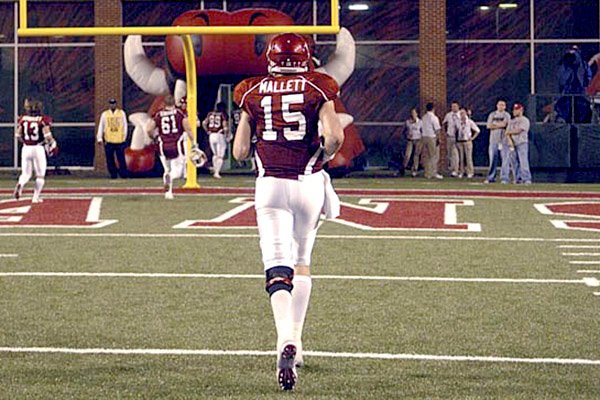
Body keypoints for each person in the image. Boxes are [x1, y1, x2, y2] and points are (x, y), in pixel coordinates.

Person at [232, 32, 344, 391]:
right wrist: (321, 157)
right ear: (305, 58)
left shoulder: (250, 91)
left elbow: (238, 151)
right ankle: (295, 340)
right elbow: (336, 137)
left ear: (270, 59)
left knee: (277, 267)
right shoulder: (319, 85)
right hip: (307, 181)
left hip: (269, 185)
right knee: (302, 262)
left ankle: (284, 339)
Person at [145, 95, 194, 199]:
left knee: (167, 169)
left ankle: (168, 193)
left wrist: (153, 136)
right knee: (178, 171)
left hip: (162, 145)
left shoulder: (158, 114)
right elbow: (188, 128)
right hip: (176, 144)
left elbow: (149, 129)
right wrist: (193, 142)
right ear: (174, 103)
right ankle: (170, 178)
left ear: (164, 103)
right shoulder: (179, 113)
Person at [13, 100, 57, 203]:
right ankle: (35, 197)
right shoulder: (42, 120)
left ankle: (21, 184)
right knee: (40, 175)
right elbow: (47, 136)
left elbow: (17, 135)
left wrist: (25, 142)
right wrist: (52, 143)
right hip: (38, 148)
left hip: (26, 148)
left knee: (26, 173)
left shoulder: (23, 119)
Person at [97, 98, 128, 179]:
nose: (112, 105)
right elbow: (101, 126)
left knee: (121, 158)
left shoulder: (121, 113)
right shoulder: (105, 114)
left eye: (114, 103)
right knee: (109, 159)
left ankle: (123, 174)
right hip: (109, 140)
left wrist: (124, 137)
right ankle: (113, 174)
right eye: (111, 103)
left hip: (119, 140)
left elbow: (125, 126)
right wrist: (99, 138)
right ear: (109, 105)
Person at [505, 103, 532, 184]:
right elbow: (507, 133)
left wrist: (509, 132)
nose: (514, 111)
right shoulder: (511, 121)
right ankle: (517, 179)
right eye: (514, 109)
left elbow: (519, 130)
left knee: (523, 161)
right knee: (514, 162)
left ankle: (526, 179)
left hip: (522, 143)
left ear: (521, 110)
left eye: (516, 109)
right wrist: (510, 141)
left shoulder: (525, 120)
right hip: (512, 143)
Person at [484, 99, 511, 183]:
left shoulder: (507, 115)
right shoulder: (492, 114)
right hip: (493, 140)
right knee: (492, 159)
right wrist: (500, 125)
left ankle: (504, 178)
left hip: (504, 140)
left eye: (503, 105)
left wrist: (495, 125)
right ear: (497, 105)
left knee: (505, 160)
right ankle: (491, 177)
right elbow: (488, 126)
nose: (501, 106)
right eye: (500, 105)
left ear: (505, 106)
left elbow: (506, 125)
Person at [202, 102, 230, 179]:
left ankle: (215, 170)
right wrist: (227, 135)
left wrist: (207, 131)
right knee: (220, 155)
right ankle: (217, 172)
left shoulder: (210, 114)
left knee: (215, 154)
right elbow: (225, 127)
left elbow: (204, 123)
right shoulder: (222, 114)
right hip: (219, 134)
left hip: (211, 135)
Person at [455, 108, 480, 178]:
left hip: (467, 141)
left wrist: (472, 138)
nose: (461, 114)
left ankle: (470, 172)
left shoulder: (469, 122)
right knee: (461, 158)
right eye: (460, 113)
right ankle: (461, 172)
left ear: (466, 113)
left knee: (468, 158)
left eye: (463, 113)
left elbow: (477, 130)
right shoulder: (458, 122)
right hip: (460, 141)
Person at [421, 102, 443, 180]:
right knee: (434, 156)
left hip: (424, 137)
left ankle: (427, 173)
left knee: (426, 156)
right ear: (433, 108)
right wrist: (439, 138)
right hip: (431, 137)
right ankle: (433, 173)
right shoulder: (434, 117)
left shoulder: (424, 117)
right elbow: (437, 129)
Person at [403, 108, 423, 177]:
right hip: (410, 140)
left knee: (416, 155)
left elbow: (422, 131)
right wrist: (407, 135)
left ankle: (414, 170)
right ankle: (403, 167)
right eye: (412, 113)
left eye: (414, 113)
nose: (413, 114)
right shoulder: (408, 122)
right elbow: (404, 131)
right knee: (407, 155)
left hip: (418, 140)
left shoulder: (420, 122)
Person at [442, 101, 460, 177]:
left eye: (455, 106)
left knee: (455, 153)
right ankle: (452, 169)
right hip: (450, 136)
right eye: (452, 106)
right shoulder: (448, 115)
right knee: (450, 154)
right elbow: (444, 124)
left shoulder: (460, 114)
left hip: (458, 137)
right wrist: (445, 133)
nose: (453, 108)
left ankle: (456, 170)